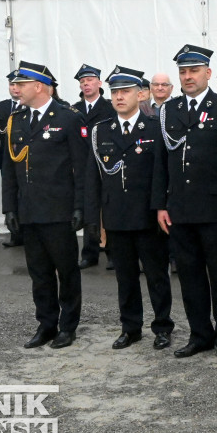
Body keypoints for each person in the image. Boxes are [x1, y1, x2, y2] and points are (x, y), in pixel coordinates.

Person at [154, 45, 217, 359]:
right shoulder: (169, 110)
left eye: (193, 71)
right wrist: (161, 205)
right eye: (183, 71)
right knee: (190, 276)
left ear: (208, 73)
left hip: (215, 209)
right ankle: (199, 334)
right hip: (180, 209)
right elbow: (161, 162)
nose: (188, 76)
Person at [86, 66, 175, 350]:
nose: (119, 97)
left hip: (148, 215)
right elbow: (93, 177)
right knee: (125, 278)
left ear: (141, 94)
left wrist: (162, 207)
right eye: (115, 92)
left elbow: (162, 173)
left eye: (125, 91)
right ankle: (131, 327)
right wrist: (93, 216)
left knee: (157, 276)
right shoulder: (102, 130)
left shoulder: (153, 128)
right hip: (116, 215)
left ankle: (162, 326)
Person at [2, 61, 87, 350]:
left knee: (66, 270)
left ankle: (68, 326)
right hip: (29, 210)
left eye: (22, 84)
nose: (16, 89)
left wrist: (80, 207)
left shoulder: (68, 117)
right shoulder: (17, 120)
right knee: (39, 273)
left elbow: (82, 167)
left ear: (38, 86)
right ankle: (46, 324)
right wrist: (9, 207)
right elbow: (10, 167)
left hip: (59, 210)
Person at [73, 64, 115, 270]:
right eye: (82, 81)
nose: (86, 84)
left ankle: (113, 253)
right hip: (82, 166)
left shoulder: (110, 108)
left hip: (106, 163)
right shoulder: (75, 110)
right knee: (88, 208)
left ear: (99, 83)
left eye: (89, 80)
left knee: (109, 208)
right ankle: (89, 253)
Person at [0, 70, 25, 248]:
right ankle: (15, 235)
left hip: (26, 155)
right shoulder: (3, 107)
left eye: (18, 85)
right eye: (12, 85)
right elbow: (1, 131)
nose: (15, 88)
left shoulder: (29, 105)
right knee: (10, 193)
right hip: (8, 156)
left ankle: (27, 233)